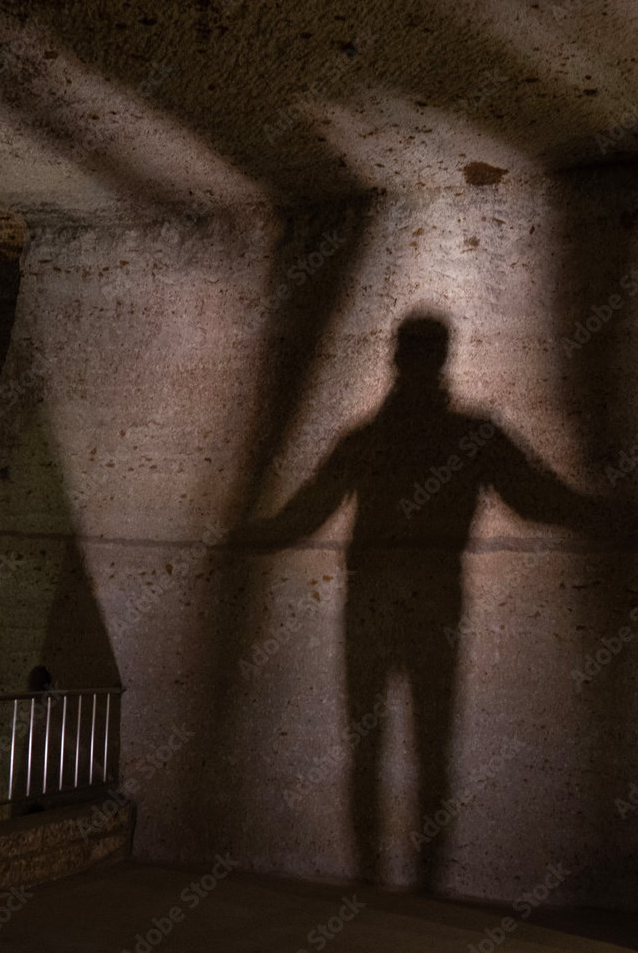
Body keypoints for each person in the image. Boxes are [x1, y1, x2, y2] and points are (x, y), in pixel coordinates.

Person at [241, 313, 603, 888]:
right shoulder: (469, 435)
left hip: (372, 603)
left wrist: (236, 540)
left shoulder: (370, 438)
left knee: (372, 747)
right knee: (431, 749)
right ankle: (424, 896)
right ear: (442, 358)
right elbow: (533, 499)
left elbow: (306, 515)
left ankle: (373, 888)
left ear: (395, 358)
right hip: (434, 603)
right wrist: (608, 516)